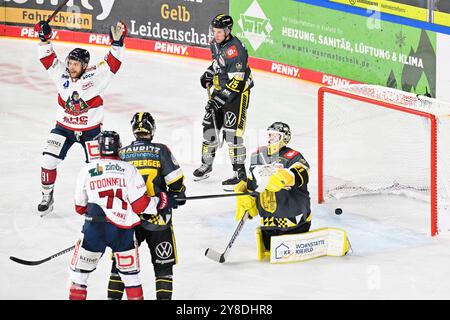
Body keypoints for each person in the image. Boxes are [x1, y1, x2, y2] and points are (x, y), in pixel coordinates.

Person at [34, 19, 127, 216]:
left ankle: (99, 201)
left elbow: (112, 64)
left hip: (91, 131)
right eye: (69, 62)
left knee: (97, 168)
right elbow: (48, 59)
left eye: (75, 64)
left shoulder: (95, 77)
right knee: (47, 161)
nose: (71, 66)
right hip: (63, 129)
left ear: (85, 65)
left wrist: (117, 44)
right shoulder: (62, 74)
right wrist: (44, 38)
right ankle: (46, 196)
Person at [70, 131, 177, 300]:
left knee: (79, 277)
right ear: (118, 147)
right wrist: (161, 201)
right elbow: (141, 205)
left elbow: (79, 207)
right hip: (122, 231)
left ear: (98, 149)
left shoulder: (87, 170)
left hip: (94, 229)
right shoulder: (129, 169)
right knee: (131, 278)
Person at [107, 112, 186, 300]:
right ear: (152, 129)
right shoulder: (160, 150)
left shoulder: (122, 153)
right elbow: (176, 182)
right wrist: (177, 195)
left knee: (120, 265)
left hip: (128, 220)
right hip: (158, 219)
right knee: (163, 267)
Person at [193, 14, 254, 191]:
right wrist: (209, 73)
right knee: (209, 129)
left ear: (228, 31)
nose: (216, 34)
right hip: (221, 90)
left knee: (232, 135)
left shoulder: (236, 50)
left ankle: (239, 173)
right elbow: (218, 63)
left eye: (219, 31)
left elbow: (238, 82)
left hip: (237, 95)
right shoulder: (215, 43)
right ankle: (206, 165)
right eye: (214, 31)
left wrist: (217, 100)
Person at [234, 122, 311, 255]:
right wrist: (247, 195)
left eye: (275, 136)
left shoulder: (293, 156)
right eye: (270, 135)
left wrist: (285, 177)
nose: (271, 139)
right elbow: (252, 182)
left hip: (295, 223)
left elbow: (302, 174)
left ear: (285, 138)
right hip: (268, 224)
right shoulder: (258, 155)